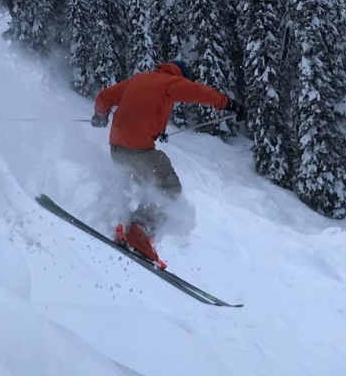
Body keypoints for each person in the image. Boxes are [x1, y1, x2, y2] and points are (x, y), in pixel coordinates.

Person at [92, 60, 238, 265]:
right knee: (170, 188)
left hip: (116, 149)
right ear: (181, 76)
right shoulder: (170, 82)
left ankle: (123, 224)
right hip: (139, 151)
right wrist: (228, 104)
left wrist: (100, 115)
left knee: (146, 185)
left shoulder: (139, 79)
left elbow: (104, 97)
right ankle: (139, 230)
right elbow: (200, 92)